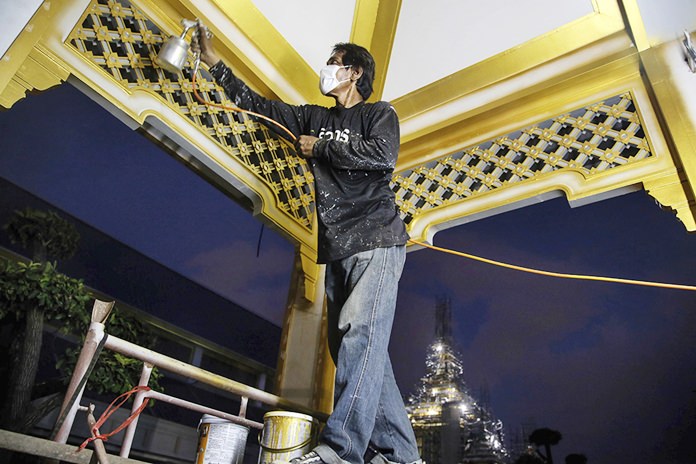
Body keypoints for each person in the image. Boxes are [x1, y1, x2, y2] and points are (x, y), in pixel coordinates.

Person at [193, 26, 422, 464]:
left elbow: (381, 156)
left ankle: (341, 450)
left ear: (353, 72)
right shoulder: (315, 116)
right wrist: (214, 65)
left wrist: (320, 148)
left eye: (333, 63)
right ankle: (402, 457)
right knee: (353, 344)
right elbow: (261, 108)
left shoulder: (378, 113)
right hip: (336, 246)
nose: (326, 69)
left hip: (376, 237)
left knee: (360, 335)